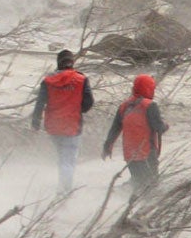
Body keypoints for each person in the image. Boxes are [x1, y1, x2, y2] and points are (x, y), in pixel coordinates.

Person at [30, 49, 94, 195]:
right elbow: (89, 102)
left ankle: (62, 185)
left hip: (53, 126)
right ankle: (65, 190)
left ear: (58, 62)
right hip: (73, 125)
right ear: (72, 62)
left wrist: (35, 123)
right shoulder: (81, 79)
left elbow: (40, 103)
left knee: (61, 157)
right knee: (68, 160)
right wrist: (78, 109)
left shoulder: (48, 81)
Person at [100, 73, 167, 198]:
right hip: (147, 152)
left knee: (137, 181)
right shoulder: (150, 105)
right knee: (150, 184)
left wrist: (107, 147)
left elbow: (115, 129)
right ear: (149, 88)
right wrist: (165, 125)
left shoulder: (124, 106)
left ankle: (126, 202)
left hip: (130, 154)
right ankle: (147, 209)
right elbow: (158, 127)